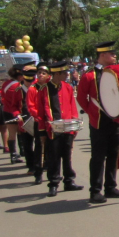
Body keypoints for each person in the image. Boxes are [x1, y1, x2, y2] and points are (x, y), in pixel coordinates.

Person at [76, 41, 119, 204]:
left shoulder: (116, 74)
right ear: (102, 55)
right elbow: (82, 98)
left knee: (113, 155)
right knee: (98, 156)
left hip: (115, 120)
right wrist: (92, 113)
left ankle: (110, 186)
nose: (115, 56)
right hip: (99, 122)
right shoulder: (90, 76)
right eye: (112, 54)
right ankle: (95, 190)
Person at [38, 61, 84, 197]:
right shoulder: (45, 89)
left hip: (68, 128)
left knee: (67, 155)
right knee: (54, 157)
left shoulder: (68, 87)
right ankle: (53, 183)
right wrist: (42, 131)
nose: (66, 75)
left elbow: (72, 107)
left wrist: (74, 126)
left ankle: (69, 181)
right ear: (57, 74)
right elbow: (41, 112)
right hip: (53, 129)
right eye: (64, 73)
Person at [0, 65, 26, 165]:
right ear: (19, 76)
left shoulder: (6, 83)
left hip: (6, 110)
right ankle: (21, 152)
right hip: (15, 111)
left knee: (12, 133)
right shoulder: (18, 86)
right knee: (18, 132)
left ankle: (13, 154)